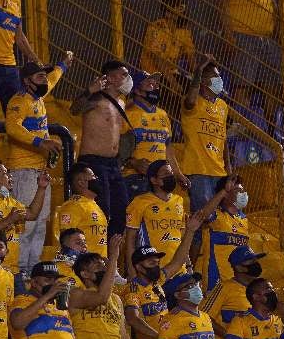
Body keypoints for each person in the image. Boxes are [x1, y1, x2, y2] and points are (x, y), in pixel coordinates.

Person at [125, 214, 204, 339]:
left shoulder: (158, 281)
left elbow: (178, 260)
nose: (156, 265)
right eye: (151, 263)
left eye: (157, 262)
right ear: (138, 267)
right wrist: (160, 337)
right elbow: (132, 318)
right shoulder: (133, 288)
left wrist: (190, 231)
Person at [7, 56, 71, 270]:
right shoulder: (19, 101)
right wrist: (40, 142)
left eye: (44, 76)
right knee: (27, 222)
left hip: (40, 171)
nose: (45, 80)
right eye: (39, 76)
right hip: (23, 170)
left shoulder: (39, 97)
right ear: (27, 81)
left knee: (41, 223)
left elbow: (53, 78)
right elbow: (13, 128)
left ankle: (32, 269)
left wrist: (63, 64)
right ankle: (21, 269)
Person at [68, 59, 129, 236]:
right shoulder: (95, 98)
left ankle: (111, 257)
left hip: (113, 164)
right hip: (94, 162)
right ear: (110, 77)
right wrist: (89, 91)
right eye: (123, 74)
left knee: (120, 212)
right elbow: (74, 109)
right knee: (102, 211)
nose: (127, 78)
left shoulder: (122, 102)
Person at [217, 0, 279, 129]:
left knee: (272, 87)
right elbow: (221, 5)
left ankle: (270, 130)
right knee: (243, 84)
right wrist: (228, 35)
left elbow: (274, 7)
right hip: (243, 35)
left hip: (266, 39)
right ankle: (238, 126)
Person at [0, 161, 48, 274]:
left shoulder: (10, 201)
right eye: (5, 173)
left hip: (13, 269)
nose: (10, 176)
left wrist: (41, 188)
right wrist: (9, 220)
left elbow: (32, 214)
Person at [121, 70, 183, 202]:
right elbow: (117, 149)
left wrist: (178, 174)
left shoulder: (163, 115)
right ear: (137, 90)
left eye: (156, 84)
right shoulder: (128, 114)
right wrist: (134, 163)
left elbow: (168, 148)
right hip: (135, 177)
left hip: (160, 180)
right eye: (150, 83)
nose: (155, 87)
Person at [181, 59, 229, 212]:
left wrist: (229, 167)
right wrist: (198, 70)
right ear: (203, 80)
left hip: (219, 171)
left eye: (219, 76)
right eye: (214, 76)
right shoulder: (192, 102)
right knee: (203, 217)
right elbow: (190, 102)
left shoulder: (223, 106)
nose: (219, 80)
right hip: (198, 170)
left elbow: (223, 138)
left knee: (218, 219)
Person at [139, 0, 196, 119]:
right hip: (153, 75)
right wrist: (173, 83)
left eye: (183, 10)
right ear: (168, 12)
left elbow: (191, 57)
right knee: (171, 90)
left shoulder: (184, 31)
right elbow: (157, 59)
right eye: (179, 9)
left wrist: (198, 79)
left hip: (172, 74)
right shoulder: (156, 27)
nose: (183, 13)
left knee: (194, 90)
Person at [125, 160, 188, 267]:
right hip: (152, 268)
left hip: (179, 268)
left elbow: (181, 240)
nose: (171, 176)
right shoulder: (139, 202)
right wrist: (132, 271)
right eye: (166, 174)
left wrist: (189, 266)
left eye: (172, 173)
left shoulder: (179, 200)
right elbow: (130, 240)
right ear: (154, 180)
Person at [197, 176, 247, 291]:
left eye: (243, 191)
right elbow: (203, 216)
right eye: (238, 191)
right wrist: (223, 191)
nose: (243, 194)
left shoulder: (244, 220)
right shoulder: (216, 215)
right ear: (226, 194)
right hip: (216, 280)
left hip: (238, 280)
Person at [55, 163, 108, 257]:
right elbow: (66, 241)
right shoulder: (73, 206)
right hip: (84, 267)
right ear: (81, 182)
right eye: (93, 176)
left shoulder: (94, 205)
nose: (96, 178)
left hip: (98, 265)